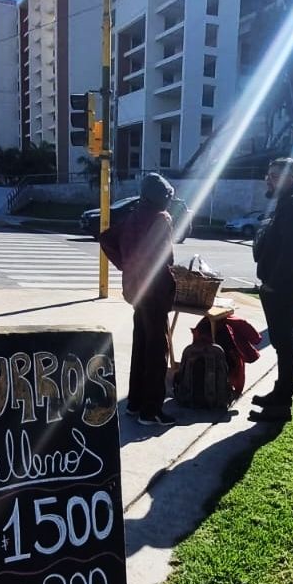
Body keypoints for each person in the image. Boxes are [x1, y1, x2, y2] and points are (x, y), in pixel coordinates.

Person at [100, 173, 177, 427]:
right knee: (157, 352)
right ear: (161, 198)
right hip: (154, 293)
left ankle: (134, 403)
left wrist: (127, 264)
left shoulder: (134, 215)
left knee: (141, 346)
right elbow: (167, 260)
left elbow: (107, 238)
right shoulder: (161, 218)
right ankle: (151, 411)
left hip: (136, 292)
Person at [250, 157, 293, 421]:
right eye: (268, 175)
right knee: (282, 344)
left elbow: (291, 252)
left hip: (284, 289)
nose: (268, 179)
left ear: (290, 178)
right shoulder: (291, 202)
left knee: (285, 345)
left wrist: (272, 284)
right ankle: (279, 394)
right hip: (285, 287)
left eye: (274, 176)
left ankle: (281, 405)